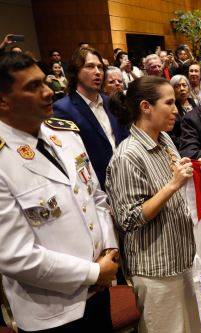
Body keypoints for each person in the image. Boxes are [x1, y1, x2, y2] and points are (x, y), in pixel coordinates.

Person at [0, 51, 118, 333]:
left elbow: (96, 198)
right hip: (53, 311)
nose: (47, 92)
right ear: (3, 100)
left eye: (44, 82)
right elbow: (14, 255)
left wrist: (110, 247)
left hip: (99, 291)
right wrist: (93, 272)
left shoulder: (65, 134)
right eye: (32, 87)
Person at [106, 76, 201, 333]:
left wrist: (193, 170)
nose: (176, 110)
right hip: (156, 267)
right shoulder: (127, 155)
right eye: (169, 102)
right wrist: (172, 185)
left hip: (182, 254)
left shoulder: (164, 139)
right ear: (145, 107)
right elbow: (128, 218)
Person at [53, 47, 129, 189]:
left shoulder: (111, 102)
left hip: (127, 179)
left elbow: (124, 138)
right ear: (75, 72)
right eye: (90, 66)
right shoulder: (63, 108)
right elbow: (71, 158)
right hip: (97, 187)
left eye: (100, 67)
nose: (97, 72)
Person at [169, 74, 197, 148]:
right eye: (177, 86)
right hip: (181, 146)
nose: (182, 89)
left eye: (184, 85)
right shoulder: (171, 107)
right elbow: (171, 136)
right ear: (172, 90)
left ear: (188, 87)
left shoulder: (194, 102)